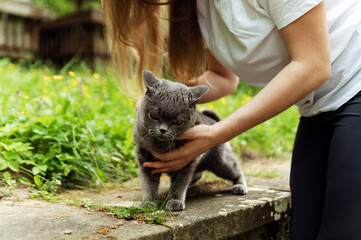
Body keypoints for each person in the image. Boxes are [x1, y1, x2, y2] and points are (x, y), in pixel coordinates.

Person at [102, 0, 361, 239]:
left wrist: (217, 134)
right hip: (315, 110)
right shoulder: (195, 8)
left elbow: (314, 64)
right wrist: (168, 97)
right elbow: (223, 78)